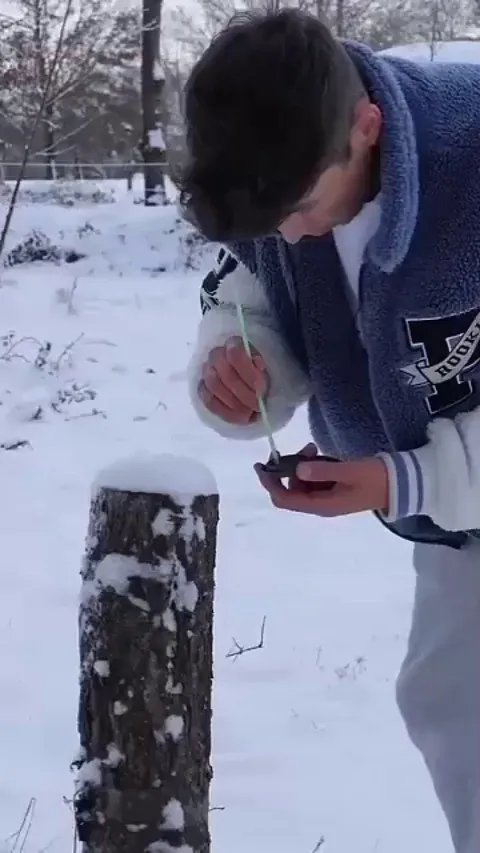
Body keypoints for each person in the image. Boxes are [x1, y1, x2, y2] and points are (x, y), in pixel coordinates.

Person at [181, 8, 480, 853]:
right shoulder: (285, 169)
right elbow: (249, 294)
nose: (292, 234)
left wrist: (402, 478)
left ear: (369, 127)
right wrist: (241, 372)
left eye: (303, 206)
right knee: (453, 706)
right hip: (460, 515)